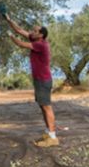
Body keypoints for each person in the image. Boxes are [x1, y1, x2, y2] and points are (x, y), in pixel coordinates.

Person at [4, 12, 58, 147]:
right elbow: (19, 30)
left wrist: (10, 36)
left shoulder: (41, 45)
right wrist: (8, 19)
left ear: (41, 35)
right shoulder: (36, 39)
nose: (32, 32)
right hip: (39, 80)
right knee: (42, 106)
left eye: (35, 31)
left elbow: (21, 44)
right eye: (33, 30)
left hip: (43, 80)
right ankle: (48, 132)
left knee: (47, 107)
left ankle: (53, 137)